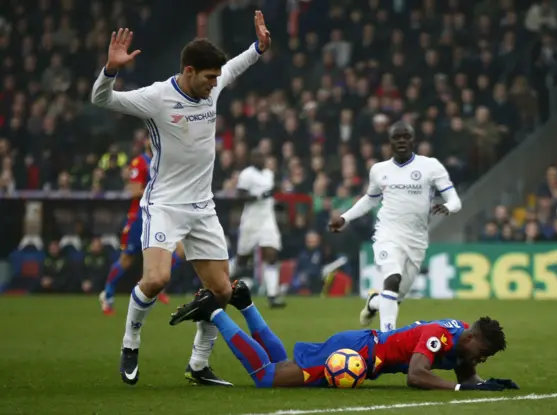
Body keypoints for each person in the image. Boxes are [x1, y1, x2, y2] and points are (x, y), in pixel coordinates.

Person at [90, 11, 271, 386]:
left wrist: (258, 48)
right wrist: (110, 70)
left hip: (203, 207)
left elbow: (234, 67)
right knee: (156, 280)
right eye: (208, 78)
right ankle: (130, 341)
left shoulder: (214, 86)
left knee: (222, 290)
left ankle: (199, 364)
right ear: (189, 71)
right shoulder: (157, 98)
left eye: (216, 79)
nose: (214, 85)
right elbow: (101, 100)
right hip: (164, 205)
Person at [169, 281, 518, 391]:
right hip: (356, 354)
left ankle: (245, 304)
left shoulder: (461, 343)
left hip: (360, 346)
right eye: (483, 352)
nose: (481, 359)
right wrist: (461, 388)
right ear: (471, 338)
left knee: (280, 363)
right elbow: (416, 375)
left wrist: (483, 383)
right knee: (267, 377)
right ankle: (212, 310)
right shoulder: (440, 336)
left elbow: (466, 373)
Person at [328, 121, 462, 332]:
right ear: (389, 142)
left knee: (394, 297)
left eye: (405, 137)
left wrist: (447, 207)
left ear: (412, 140)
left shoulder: (431, 167)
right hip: (387, 234)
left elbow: (455, 200)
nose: (401, 141)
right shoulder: (379, 170)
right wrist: (345, 218)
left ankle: (373, 303)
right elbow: (370, 199)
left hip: (417, 240)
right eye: (396, 138)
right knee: (392, 278)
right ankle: (386, 340)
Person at [99, 137, 185, 315]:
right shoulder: (139, 162)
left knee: (180, 251)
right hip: (139, 217)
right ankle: (107, 294)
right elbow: (134, 190)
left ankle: (152, 283)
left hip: (159, 216)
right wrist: (158, 188)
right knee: (127, 259)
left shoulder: (162, 163)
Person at [229, 149, 285, 308]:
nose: (259, 159)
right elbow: (240, 196)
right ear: (251, 158)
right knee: (242, 259)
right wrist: (261, 195)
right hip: (251, 221)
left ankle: (273, 296)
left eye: (261, 156)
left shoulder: (269, 174)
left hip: (268, 219)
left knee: (272, 255)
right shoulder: (247, 174)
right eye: (256, 156)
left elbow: (271, 194)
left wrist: (275, 193)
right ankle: (219, 279)